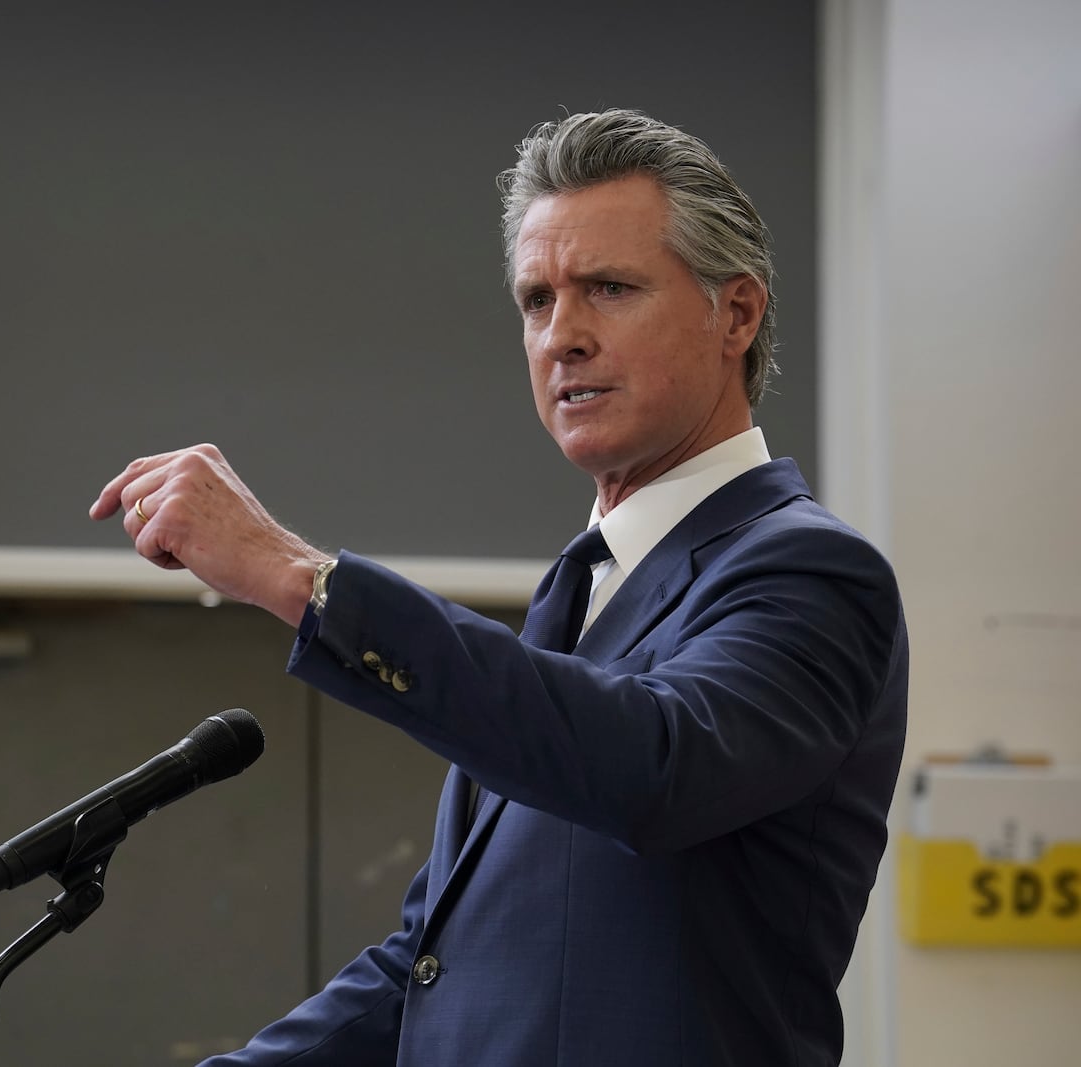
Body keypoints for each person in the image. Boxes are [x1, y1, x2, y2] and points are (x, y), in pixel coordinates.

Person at [90, 109, 907, 1066]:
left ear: (737, 314)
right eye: (536, 300)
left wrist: (298, 576)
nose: (563, 336)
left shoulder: (807, 570)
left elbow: (654, 765)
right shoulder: (578, 594)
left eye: (609, 288)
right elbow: (432, 966)